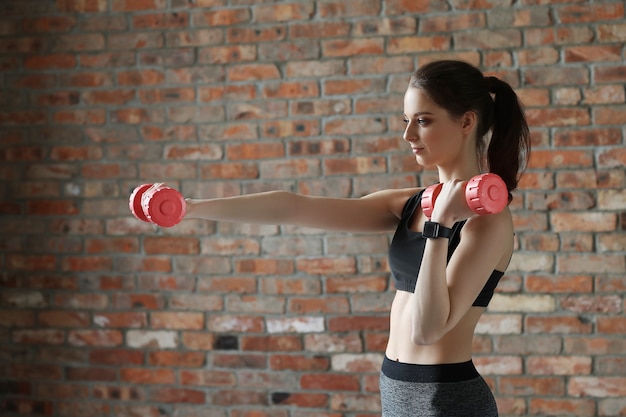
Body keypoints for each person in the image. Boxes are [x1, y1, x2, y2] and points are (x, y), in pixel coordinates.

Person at [183, 60, 530, 416]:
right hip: (396, 388)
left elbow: (427, 331)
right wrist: (191, 207)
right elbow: (294, 208)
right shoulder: (410, 203)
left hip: (447, 399)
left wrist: (439, 226)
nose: (408, 135)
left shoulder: (488, 221)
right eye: (405, 121)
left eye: (423, 121)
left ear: (466, 122)